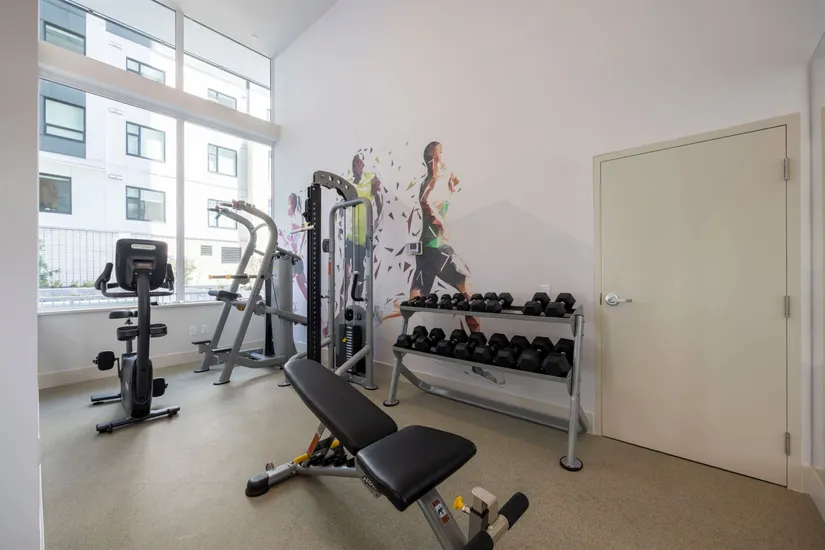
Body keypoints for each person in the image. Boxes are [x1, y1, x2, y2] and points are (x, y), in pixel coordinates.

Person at [409, 141, 479, 332]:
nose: (443, 157)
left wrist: (453, 187)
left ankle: (403, 336)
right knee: (467, 287)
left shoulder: (440, 181)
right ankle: (478, 340)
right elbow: (425, 201)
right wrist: (440, 221)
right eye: (441, 153)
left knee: (417, 297)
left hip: (430, 248)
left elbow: (444, 202)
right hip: (435, 247)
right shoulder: (431, 182)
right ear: (433, 159)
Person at [339, 152, 384, 312]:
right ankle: (341, 310)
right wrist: (340, 226)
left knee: (359, 275)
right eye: (354, 163)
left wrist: (376, 224)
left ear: (364, 164)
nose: (355, 165)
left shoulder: (371, 179)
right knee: (347, 274)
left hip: (364, 238)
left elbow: (379, 202)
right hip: (350, 236)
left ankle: (357, 309)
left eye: (358, 162)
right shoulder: (348, 184)